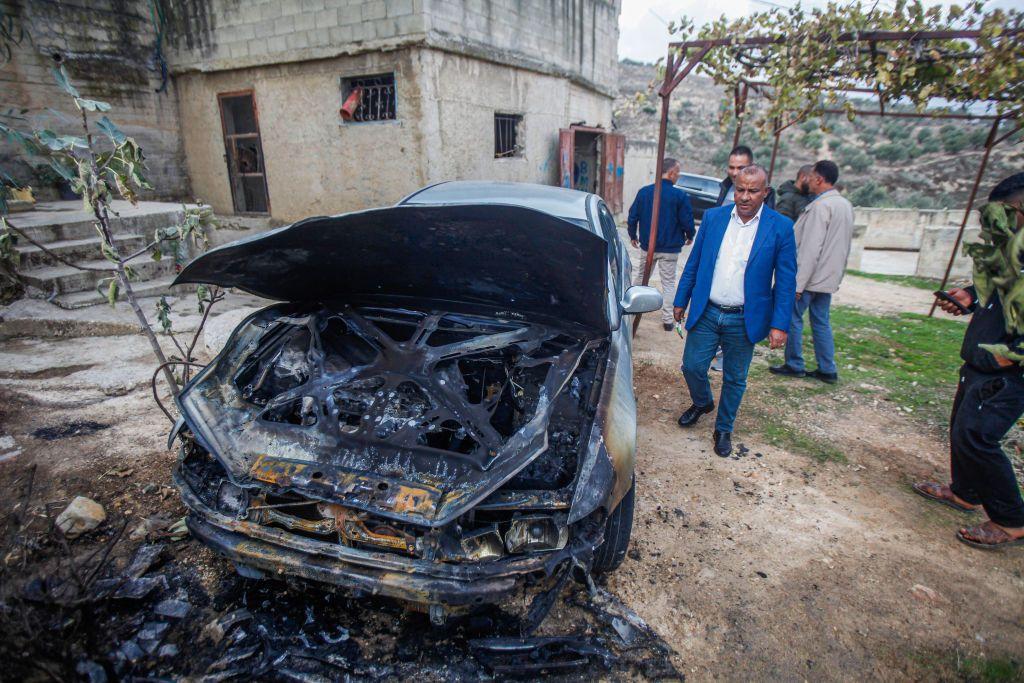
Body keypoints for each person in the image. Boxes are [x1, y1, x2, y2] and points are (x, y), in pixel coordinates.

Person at [913, 172, 1024, 550]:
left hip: (1008, 371)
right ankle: (965, 492)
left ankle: (1011, 520)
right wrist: (969, 297)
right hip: (981, 362)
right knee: (961, 428)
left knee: (978, 437)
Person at [673, 165, 796, 457]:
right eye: (740, 189)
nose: (744, 196)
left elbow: (786, 281)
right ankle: (702, 402)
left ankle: (724, 428)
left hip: (744, 318)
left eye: (753, 191)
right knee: (692, 366)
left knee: (735, 378)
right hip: (707, 310)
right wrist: (681, 299)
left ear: (765, 193)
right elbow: (694, 263)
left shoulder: (780, 227)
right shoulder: (714, 218)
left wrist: (780, 324)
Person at [770, 160, 854, 384]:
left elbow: (810, 249)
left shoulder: (820, 207)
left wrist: (798, 284)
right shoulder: (845, 205)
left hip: (811, 277)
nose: (809, 180)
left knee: (793, 318)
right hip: (828, 277)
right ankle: (827, 368)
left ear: (819, 179)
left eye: (812, 176)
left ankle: (794, 363)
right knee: (821, 321)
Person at [627, 158, 695, 331]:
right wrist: (690, 235)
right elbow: (687, 221)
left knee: (640, 280)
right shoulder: (680, 196)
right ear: (671, 173)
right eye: (678, 173)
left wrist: (632, 234)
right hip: (670, 249)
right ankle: (667, 321)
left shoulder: (644, 192)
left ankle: (630, 313)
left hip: (648, 247)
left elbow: (633, 215)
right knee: (668, 284)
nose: (678, 176)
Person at [715, 145, 776, 209]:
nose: (735, 173)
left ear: (751, 167)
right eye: (731, 167)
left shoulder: (765, 192)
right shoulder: (725, 186)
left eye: (740, 168)